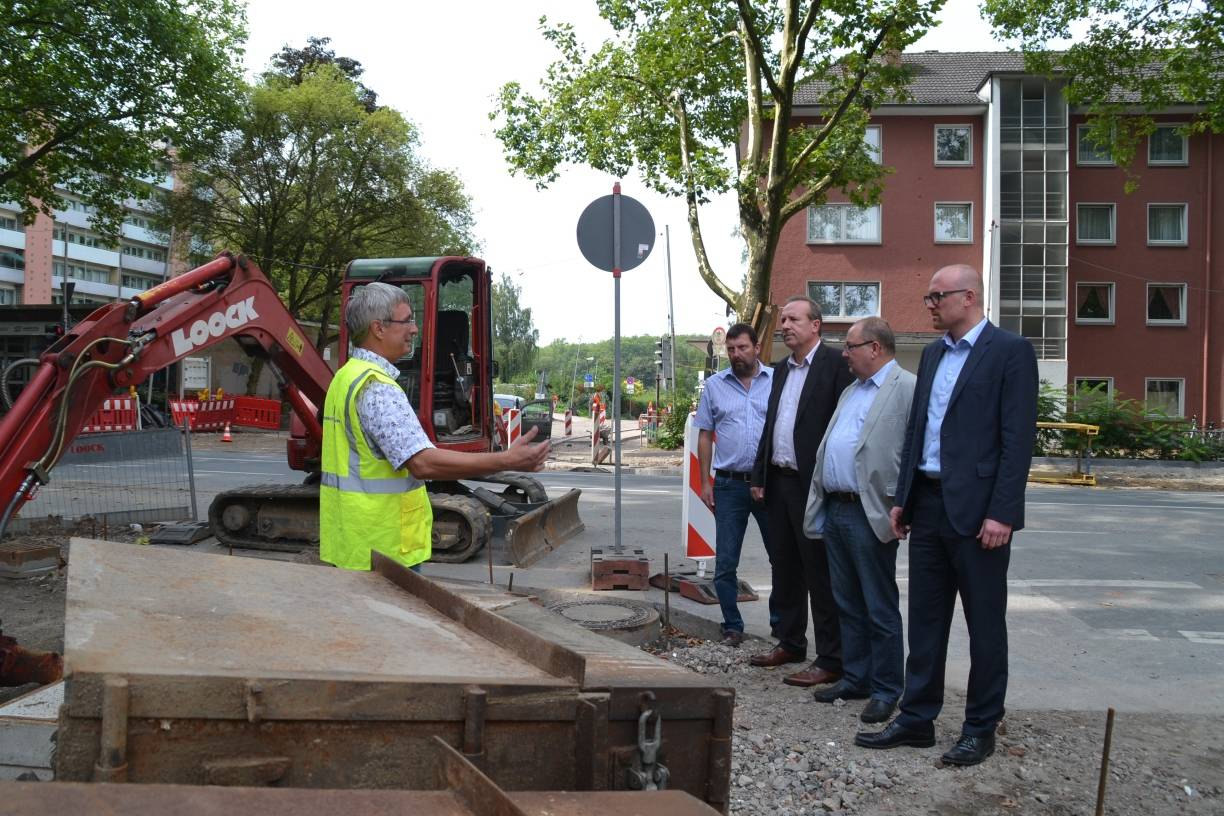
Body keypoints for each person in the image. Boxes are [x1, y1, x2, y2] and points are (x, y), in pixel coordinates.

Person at [855, 264, 1038, 767]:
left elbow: (1016, 440)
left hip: (981, 515)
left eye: (938, 296)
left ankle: (980, 727)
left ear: (970, 297)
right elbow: (920, 431)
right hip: (930, 507)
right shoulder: (933, 354)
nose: (930, 305)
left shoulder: (1010, 352)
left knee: (984, 626)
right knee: (927, 622)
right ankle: (917, 719)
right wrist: (904, 499)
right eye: (928, 297)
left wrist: (1003, 512)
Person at [320, 282, 549, 571]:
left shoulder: (346, 377)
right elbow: (423, 464)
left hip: (353, 545)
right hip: (385, 552)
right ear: (378, 328)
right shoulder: (377, 388)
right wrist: (505, 460)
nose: (414, 330)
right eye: (406, 321)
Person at [802, 317, 915, 724]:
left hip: (872, 511)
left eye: (851, 346)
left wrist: (904, 506)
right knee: (846, 602)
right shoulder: (852, 390)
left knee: (879, 605)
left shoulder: (906, 388)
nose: (844, 353)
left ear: (876, 348)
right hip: (836, 508)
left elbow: (913, 454)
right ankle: (857, 677)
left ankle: (887, 689)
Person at [749, 296, 854, 686]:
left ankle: (831, 658)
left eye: (793, 319)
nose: (785, 324)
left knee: (820, 573)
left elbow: (844, 426)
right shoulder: (779, 371)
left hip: (814, 486)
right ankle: (790, 642)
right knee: (785, 569)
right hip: (779, 484)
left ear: (816, 326)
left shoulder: (834, 367)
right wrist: (759, 476)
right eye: (782, 319)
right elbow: (772, 425)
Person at [694, 322, 773, 647]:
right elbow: (704, 434)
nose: (736, 354)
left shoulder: (775, 381)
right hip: (729, 484)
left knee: (781, 559)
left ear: (756, 347)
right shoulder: (715, 386)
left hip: (770, 485)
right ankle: (732, 626)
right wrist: (704, 482)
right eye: (730, 349)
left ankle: (784, 627)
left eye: (742, 347)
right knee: (725, 562)